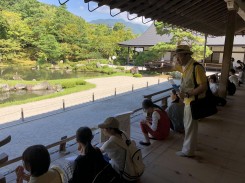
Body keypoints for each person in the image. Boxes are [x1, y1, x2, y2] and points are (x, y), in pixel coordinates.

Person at [173, 45, 207, 157]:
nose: (177, 60)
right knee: (191, 126)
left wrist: (187, 94)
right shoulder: (185, 67)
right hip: (188, 101)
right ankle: (193, 146)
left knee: (189, 127)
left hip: (193, 102)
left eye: (179, 57)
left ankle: (188, 151)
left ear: (187, 55)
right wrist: (156, 69)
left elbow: (203, 86)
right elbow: (171, 67)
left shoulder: (196, 67)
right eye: (176, 57)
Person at [99, 117, 137, 182]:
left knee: (101, 157)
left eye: (105, 128)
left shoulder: (110, 142)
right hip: (135, 170)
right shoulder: (123, 133)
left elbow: (99, 152)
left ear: (112, 130)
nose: (103, 130)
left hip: (126, 175)